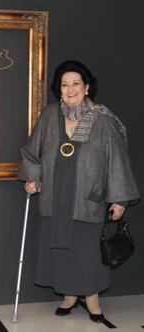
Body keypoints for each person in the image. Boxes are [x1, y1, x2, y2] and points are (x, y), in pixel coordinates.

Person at [18, 60, 140, 323]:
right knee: (60, 251)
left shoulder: (102, 119)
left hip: (88, 199)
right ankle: (69, 296)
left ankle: (92, 299)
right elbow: (31, 152)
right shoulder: (49, 115)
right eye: (64, 84)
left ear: (86, 87)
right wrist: (33, 178)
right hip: (55, 197)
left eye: (76, 83)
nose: (70, 88)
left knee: (87, 253)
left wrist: (119, 200)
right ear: (58, 89)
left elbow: (117, 159)